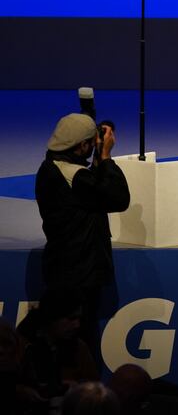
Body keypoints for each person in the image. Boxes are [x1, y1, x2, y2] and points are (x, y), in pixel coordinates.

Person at [35, 113, 130, 347]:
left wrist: (96, 161)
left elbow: (91, 194)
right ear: (82, 146)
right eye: (90, 143)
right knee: (79, 344)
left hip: (61, 266)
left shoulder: (51, 168)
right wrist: (106, 157)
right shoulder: (75, 177)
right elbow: (118, 198)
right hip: (81, 273)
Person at [16, 289, 99, 408]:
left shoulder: (79, 347)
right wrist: (22, 391)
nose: (77, 325)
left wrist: (78, 388)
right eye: (70, 318)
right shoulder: (20, 344)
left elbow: (95, 387)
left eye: (78, 319)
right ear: (51, 317)